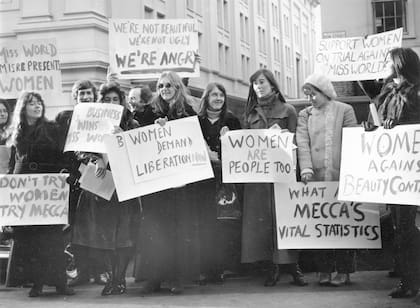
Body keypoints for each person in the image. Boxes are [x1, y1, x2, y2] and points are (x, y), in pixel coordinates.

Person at [362, 47, 420, 303]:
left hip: (413, 172)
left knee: (413, 229)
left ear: (400, 65)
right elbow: (377, 121)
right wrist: (371, 128)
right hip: (396, 176)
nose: (385, 66)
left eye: (389, 62)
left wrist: (399, 128)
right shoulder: (386, 93)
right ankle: (408, 282)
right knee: (403, 230)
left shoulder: (417, 92)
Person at [71, 82, 140, 296]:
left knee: (124, 235)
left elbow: (140, 152)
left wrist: (122, 138)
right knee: (103, 235)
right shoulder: (91, 122)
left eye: (115, 100)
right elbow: (79, 150)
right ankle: (112, 278)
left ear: (121, 102)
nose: (111, 103)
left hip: (124, 186)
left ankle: (120, 279)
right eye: (107, 100)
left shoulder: (132, 123)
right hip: (100, 186)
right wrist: (95, 159)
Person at [134, 71, 199, 295]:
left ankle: (176, 278)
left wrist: (170, 126)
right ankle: (154, 277)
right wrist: (155, 127)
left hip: (179, 184)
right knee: (155, 231)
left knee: (178, 230)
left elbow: (192, 140)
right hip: (156, 183)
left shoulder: (189, 112)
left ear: (178, 87)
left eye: (169, 85)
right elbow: (137, 137)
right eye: (161, 86)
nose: (164, 89)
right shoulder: (147, 111)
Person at [241, 69, 307, 287]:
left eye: (261, 82)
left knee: (287, 221)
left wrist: (284, 138)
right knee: (264, 224)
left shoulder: (288, 110)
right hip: (259, 180)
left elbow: (298, 141)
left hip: (283, 176)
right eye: (255, 84)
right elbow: (243, 144)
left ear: (272, 84)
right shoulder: (251, 113)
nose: (258, 86)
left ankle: (293, 266)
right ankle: (272, 267)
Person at [5, 91, 75, 297]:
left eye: (39, 103)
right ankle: (37, 283)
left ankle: (60, 283)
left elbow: (62, 156)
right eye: (32, 103)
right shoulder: (17, 133)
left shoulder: (52, 129)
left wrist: (62, 175)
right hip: (26, 193)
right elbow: (13, 163)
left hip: (48, 191)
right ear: (23, 108)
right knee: (31, 240)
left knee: (52, 239)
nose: (37, 107)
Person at [296, 73, 358, 287]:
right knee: (321, 224)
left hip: (341, 175)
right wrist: (305, 168)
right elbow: (302, 142)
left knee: (343, 224)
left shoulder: (345, 110)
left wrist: (351, 171)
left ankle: (344, 270)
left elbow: (353, 141)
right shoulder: (304, 114)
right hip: (315, 178)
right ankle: (324, 269)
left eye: (313, 94)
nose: (310, 99)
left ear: (324, 92)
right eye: (307, 95)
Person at [56, 80, 109, 287]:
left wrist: (98, 160)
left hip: (98, 176)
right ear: (75, 97)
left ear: (94, 96)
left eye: (88, 93)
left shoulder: (103, 117)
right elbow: (61, 147)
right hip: (74, 178)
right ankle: (81, 271)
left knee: (98, 225)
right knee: (76, 228)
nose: (85, 97)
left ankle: (101, 270)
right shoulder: (64, 118)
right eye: (81, 94)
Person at [196, 82, 242, 284]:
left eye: (221, 95)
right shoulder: (196, 121)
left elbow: (240, 151)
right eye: (214, 94)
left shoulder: (231, 120)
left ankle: (222, 268)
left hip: (225, 179)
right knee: (204, 223)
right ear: (206, 98)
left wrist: (226, 143)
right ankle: (206, 269)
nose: (218, 98)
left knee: (225, 224)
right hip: (203, 180)